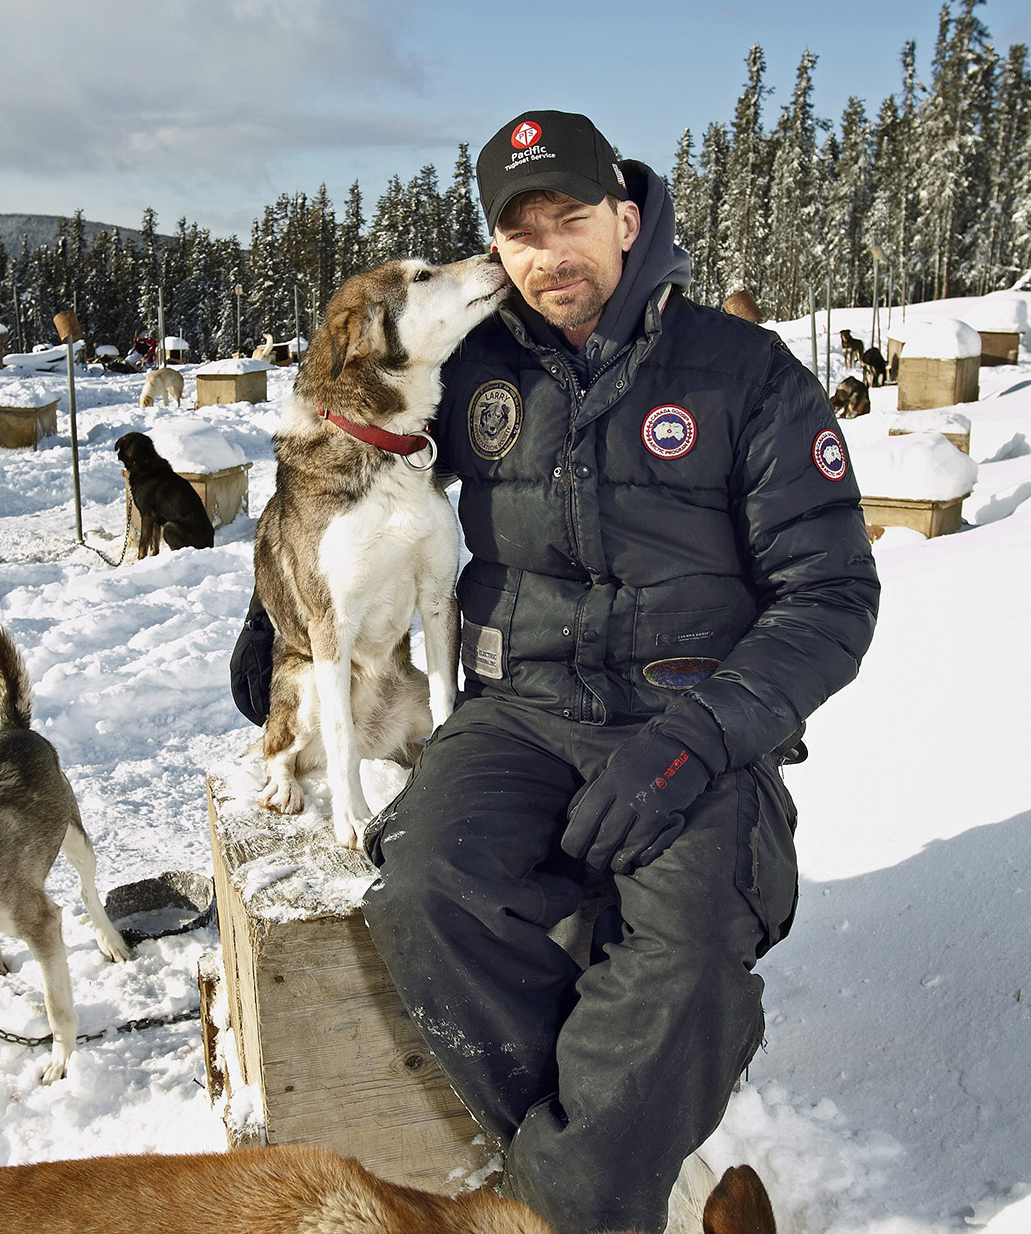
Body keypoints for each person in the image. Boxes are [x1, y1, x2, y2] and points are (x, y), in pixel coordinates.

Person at [230, 109, 879, 1234]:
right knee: (427, 889)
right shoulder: (478, 360)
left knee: (683, 955)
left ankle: (547, 1206)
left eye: (568, 219)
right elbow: (345, 445)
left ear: (626, 219)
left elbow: (831, 599)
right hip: (519, 710)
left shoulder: (746, 378)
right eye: (517, 231)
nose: (544, 253)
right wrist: (270, 619)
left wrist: (699, 737)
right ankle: (610, 1161)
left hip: (692, 723)